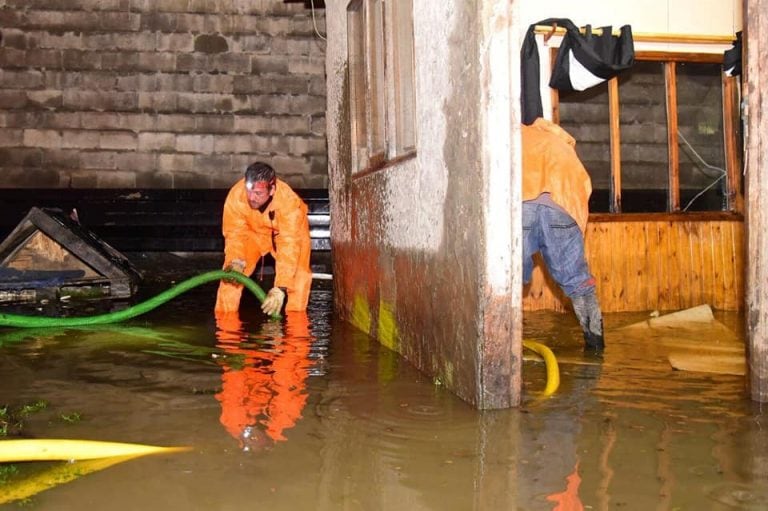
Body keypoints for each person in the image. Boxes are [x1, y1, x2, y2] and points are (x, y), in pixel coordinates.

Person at [522, 118, 605, 352]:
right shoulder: (559, 143)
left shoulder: (513, 138)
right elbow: (583, 187)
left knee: (506, 278)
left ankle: (503, 346)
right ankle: (596, 344)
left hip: (521, 205)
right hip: (562, 208)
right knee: (579, 284)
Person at [215, 161, 313, 316]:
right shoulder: (236, 196)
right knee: (231, 277)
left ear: (272, 189)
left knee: (298, 278)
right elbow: (234, 233)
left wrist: (280, 287)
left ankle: (296, 331)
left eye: (258, 193)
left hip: (290, 235)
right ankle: (225, 328)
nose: (251, 198)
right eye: (249, 191)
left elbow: (289, 244)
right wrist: (236, 259)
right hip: (253, 232)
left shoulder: (289, 203)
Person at [215, 310, 314, 450]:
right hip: (275, 355)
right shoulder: (285, 418)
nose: (252, 438)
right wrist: (279, 344)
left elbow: (233, 385)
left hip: (254, 357)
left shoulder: (234, 423)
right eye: (255, 441)